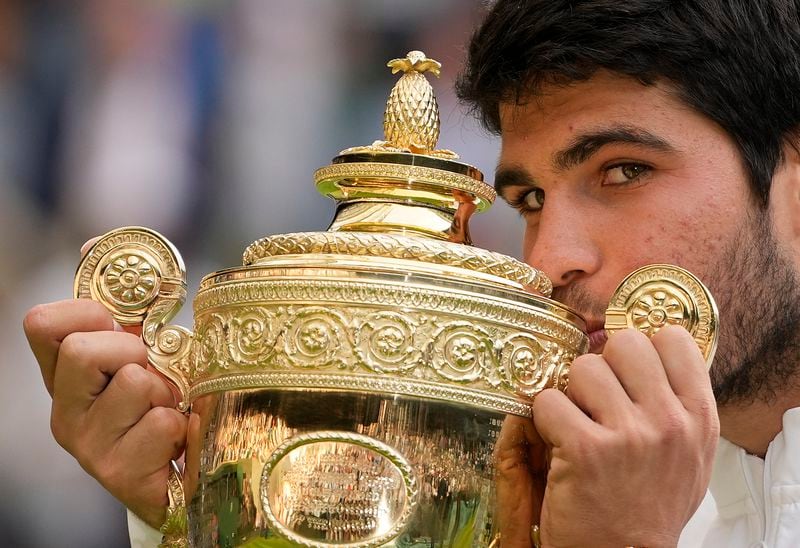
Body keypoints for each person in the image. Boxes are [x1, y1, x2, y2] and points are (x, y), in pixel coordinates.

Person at [23, 0, 800, 546]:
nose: (547, 258)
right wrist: (198, 511)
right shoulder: (542, 483)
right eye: (527, 198)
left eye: (622, 171)